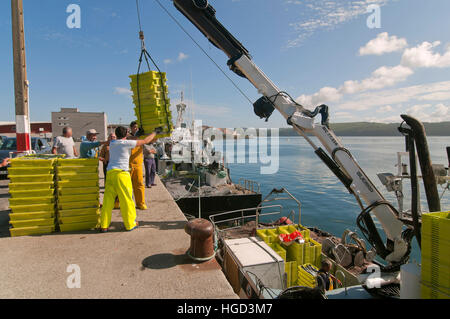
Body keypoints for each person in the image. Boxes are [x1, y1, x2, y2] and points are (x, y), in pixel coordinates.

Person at [99, 126, 156, 232]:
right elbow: (145, 141)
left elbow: (127, 138)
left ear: (116, 134)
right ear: (126, 135)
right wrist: (154, 132)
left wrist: (135, 135)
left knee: (107, 201)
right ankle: (130, 224)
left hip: (110, 173)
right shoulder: (126, 143)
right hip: (122, 174)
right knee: (127, 200)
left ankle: (104, 225)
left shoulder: (112, 143)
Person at [129, 121, 147, 210]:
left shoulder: (141, 136)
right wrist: (138, 135)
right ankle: (118, 202)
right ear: (131, 128)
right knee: (125, 186)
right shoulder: (127, 136)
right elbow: (133, 138)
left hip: (138, 164)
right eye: (134, 127)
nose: (136, 129)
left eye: (137, 127)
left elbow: (150, 141)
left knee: (139, 184)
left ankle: (140, 203)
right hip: (127, 164)